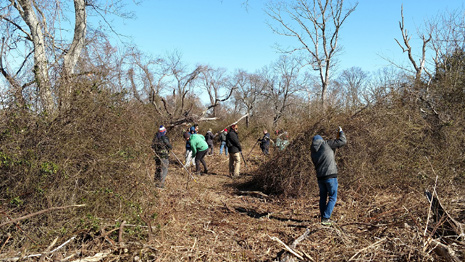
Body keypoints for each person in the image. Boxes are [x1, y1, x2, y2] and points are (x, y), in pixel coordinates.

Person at [311, 126, 347, 226]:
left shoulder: (313, 152)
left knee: (323, 197)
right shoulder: (326, 144)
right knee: (332, 197)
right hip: (331, 175)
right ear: (321, 140)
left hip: (320, 177)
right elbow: (342, 141)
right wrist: (341, 132)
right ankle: (326, 218)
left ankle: (323, 217)